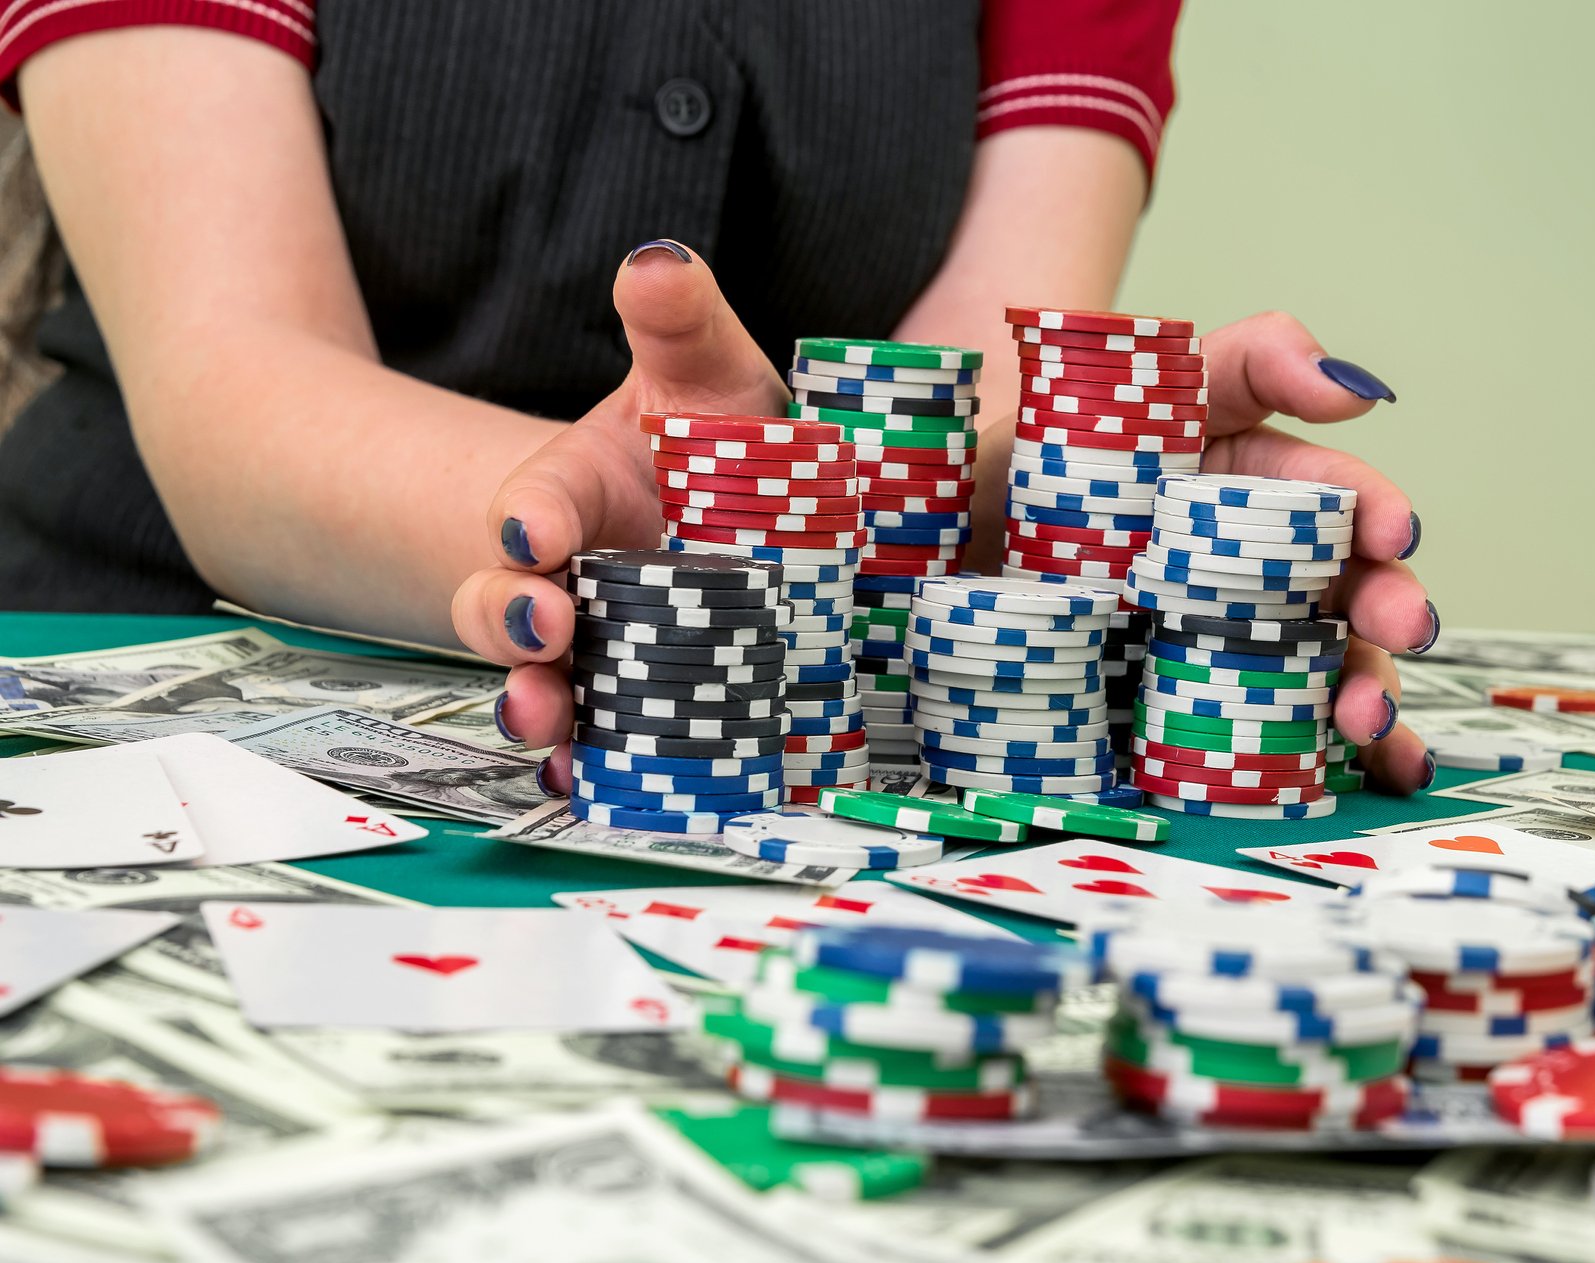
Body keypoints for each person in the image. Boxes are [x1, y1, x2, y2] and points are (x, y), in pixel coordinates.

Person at [2, 1, 1438, 792]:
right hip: (145, 684)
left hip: (781, 742)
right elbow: (234, 385)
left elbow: (972, 398)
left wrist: (1123, 544)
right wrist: (668, 532)